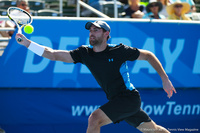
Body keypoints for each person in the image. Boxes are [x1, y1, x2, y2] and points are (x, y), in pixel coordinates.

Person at [15, 20, 176, 133]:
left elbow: (148, 55)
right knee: (153, 130)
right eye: (90, 30)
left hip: (128, 98)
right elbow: (53, 54)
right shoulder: (84, 53)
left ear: (106, 34)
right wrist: (27, 43)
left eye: (96, 30)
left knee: (94, 119)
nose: (92, 33)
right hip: (118, 101)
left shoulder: (119, 50)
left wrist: (165, 79)